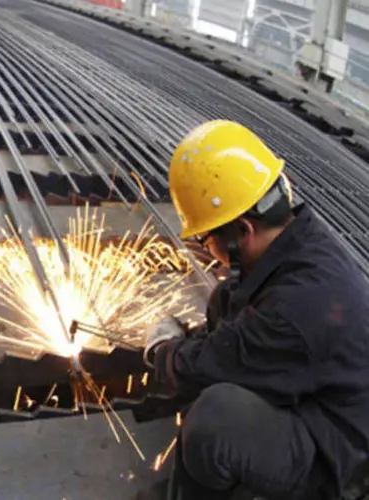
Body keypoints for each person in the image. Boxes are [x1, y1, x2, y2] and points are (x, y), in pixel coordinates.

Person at [143, 120, 369, 500]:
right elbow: (236, 320)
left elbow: (205, 366)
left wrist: (164, 353)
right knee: (224, 298)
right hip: (327, 393)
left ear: (243, 230)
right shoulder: (300, 240)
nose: (206, 248)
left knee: (216, 420)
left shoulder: (296, 309)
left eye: (207, 238)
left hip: (342, 452)